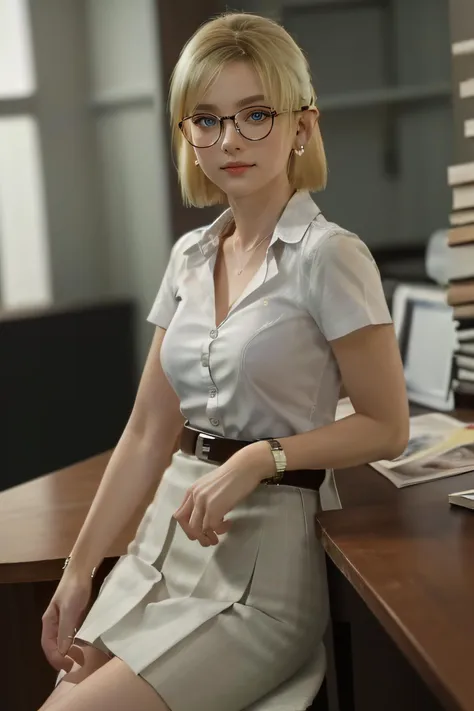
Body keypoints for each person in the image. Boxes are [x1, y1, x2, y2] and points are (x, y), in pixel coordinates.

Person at [39, 11, 409, 711]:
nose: (228, 139)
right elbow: (149, 431)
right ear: (187, 135)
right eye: (205, 120)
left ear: (301, 126)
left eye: (255, 115)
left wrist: (260, 457)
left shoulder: (332, 256)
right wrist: (80, 566)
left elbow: (387, 425)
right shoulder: (189, 256)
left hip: (263, 568)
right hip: (162, 545)